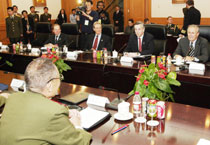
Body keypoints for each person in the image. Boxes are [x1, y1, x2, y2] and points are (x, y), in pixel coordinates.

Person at [0, 57, 92, 145]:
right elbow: (80, 142)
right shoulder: (54, 112)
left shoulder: (13, 98)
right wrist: (77, 125)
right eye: (58, 77)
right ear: (50, 85)